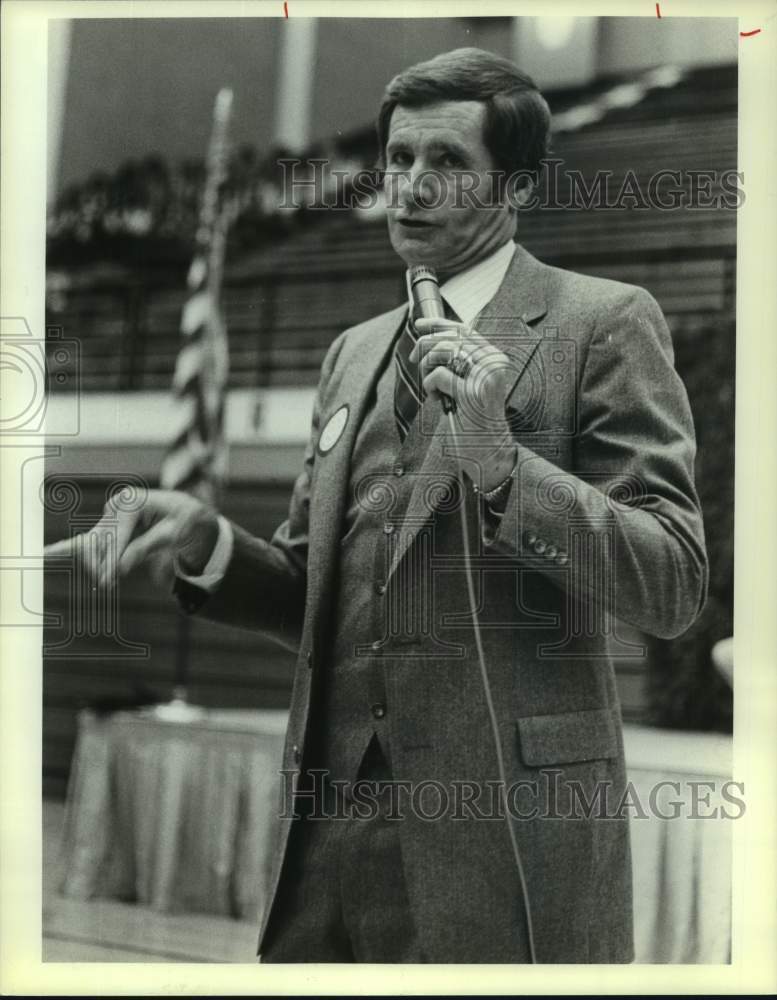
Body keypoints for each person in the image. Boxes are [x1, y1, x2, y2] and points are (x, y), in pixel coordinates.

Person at [51, 48, 708, 963]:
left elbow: (671, 578)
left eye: (446, 163)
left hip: (504, 842)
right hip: (324, 848)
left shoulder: (600, 322)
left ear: (514, 184)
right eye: (398, 159)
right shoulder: (352, 354)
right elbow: (313, 594)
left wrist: (503, 467)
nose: (409, 185)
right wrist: (209, 544)